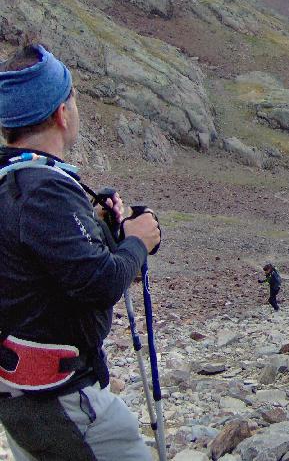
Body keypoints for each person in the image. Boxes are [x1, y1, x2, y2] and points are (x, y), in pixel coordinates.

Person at [0, 44, 162, 460]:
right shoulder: (44, 190)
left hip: (22, 393)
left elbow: (43, 264)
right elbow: (98, 283)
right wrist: (137, 242)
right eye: (71, 99)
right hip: (62, 398)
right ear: (60, 113)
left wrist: (102, 229)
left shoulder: (12, 182)